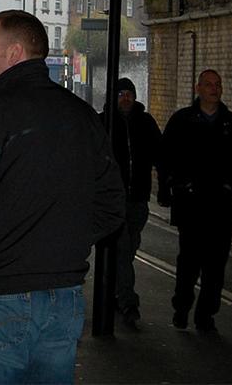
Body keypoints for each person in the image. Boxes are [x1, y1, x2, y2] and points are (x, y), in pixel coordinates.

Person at [0, 10, 124, 384]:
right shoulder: (82, 115)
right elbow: (110, 206)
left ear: (13, 53)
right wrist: (61, 242)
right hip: (64, 300)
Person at [157, 69, 232, 334]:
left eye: (218, 84)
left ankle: (206, 316)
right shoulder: (182, 121)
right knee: (188, 262)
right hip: (191, 206)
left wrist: (231, 186)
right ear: (198, 88)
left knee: (215, 267)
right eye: (209, 84)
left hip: (220, 208)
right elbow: (165, 157)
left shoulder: (231, 124)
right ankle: (182, 306)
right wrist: (173, 186)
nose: (214, 89)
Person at [100, 77, 162, 330]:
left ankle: (115, 291)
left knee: (129, 247)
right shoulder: (103, 122)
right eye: (121, 94)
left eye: (129, 94)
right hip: (113, 200)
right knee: (123, 249)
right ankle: (128, 302)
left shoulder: (145, 123)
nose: (125, 98)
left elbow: (160, 153)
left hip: (138, 197)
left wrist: (167, 186)